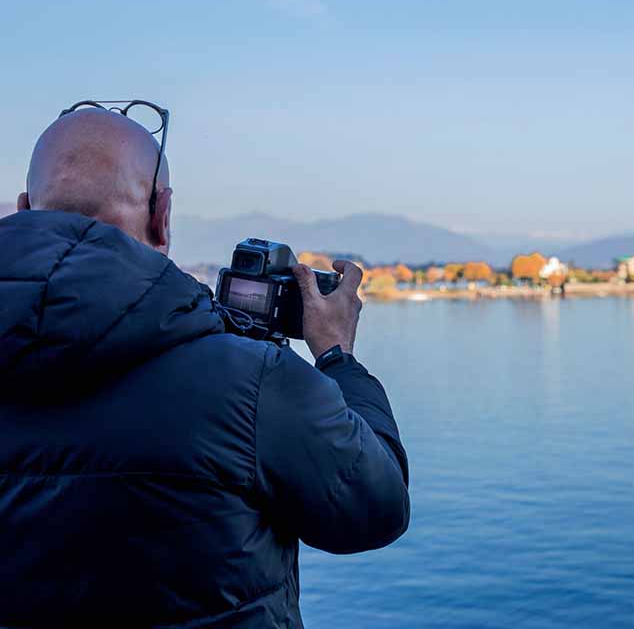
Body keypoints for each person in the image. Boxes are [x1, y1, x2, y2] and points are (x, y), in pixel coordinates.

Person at [0, 106, 410, 628]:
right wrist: (337, 358)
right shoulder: (250, 382)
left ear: (24, 209)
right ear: (162, 214)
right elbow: (376, 508)